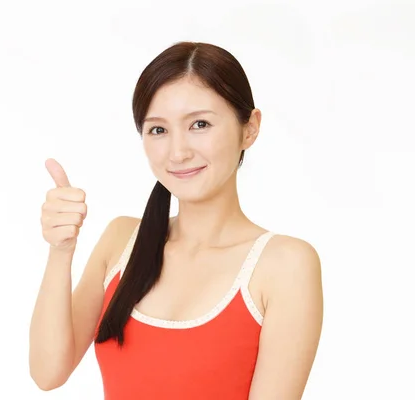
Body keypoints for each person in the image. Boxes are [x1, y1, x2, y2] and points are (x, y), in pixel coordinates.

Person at [29, 41, 323, 399]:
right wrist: (61, 251)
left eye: (199, 124)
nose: (178, 152)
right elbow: (48, 373)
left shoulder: (285, 264)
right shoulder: (122, 240)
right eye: (158, 130)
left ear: (250, 128)